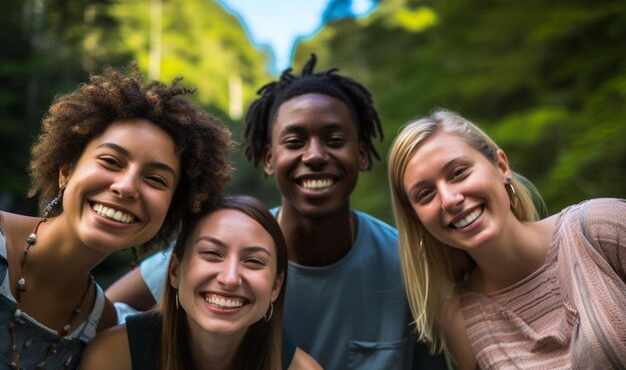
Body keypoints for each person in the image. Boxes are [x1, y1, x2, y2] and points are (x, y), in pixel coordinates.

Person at [106, 55, 446, 370]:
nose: (314, 155)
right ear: (269, 159)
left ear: (362, 154)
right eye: (295, 141)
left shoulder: (410, 266)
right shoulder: (226, 247)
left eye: (334, 139)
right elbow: (105, 313)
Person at [0, 65, 233, 369]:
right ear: (66, 172)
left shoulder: (102, 325)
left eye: (155, 180)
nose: (126, 187)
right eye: (111, 161)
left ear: (171, 208)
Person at [387, 108, 626, 370]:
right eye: (425, 194)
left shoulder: (600, 228)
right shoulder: (460, 320)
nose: (449, 200)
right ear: (417, 219)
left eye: (458, 173)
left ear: (501, 166)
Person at [80, 195, 322, 370]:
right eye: (211, 254)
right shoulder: (115, 357)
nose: (229, 278)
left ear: (275, 287)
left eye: (254, 261)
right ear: (175, 271)